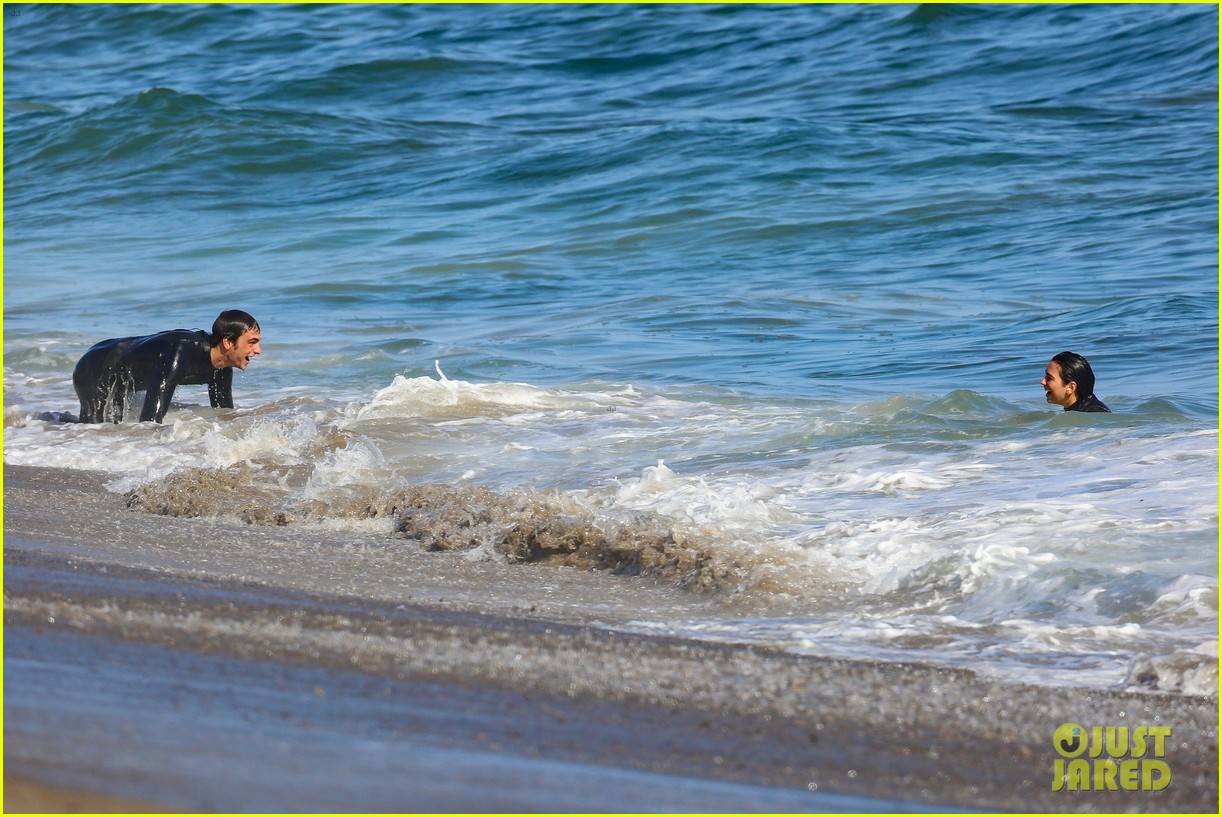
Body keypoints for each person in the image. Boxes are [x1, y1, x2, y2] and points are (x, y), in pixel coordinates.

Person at [73, 309, 262, 424]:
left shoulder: (221, 368)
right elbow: (150, 422)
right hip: (96, 366)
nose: (258, 350)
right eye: (252, 342)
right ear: (228, 342)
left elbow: (224, 415)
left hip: (121, 373)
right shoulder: (182, 350)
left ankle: (59, 424)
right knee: (96, 429)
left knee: (113, 428)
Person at [1040, 351, 1109, 413]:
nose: (1042, 381)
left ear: (1071, 387)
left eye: (1049, 378)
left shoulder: (1094, 412)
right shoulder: (1080, 410)